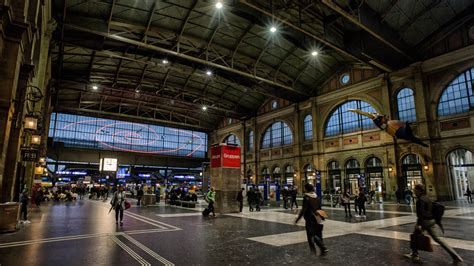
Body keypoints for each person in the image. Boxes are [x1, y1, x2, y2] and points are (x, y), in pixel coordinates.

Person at [405, 184, 463, 264]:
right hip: (432, 221)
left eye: (415, 190)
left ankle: (415, 255)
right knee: (439, 239)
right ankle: (455, 256)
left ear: (419, 190)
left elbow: (421, 214)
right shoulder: (427, 198)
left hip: (425, 222)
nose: (414, 191)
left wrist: (418, 224)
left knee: (415, 237)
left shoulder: (420, 200)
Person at [295, 183, 328, 256]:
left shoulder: (306, 197)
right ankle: (321, 250)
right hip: (317, 218)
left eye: (304, 188)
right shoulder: (317, 197)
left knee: (310, 235)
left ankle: (318, 249)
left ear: (306, 189)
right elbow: (319, 208)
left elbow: (304, 209)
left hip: (309, 218)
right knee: (318, 234)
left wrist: (298, 219)